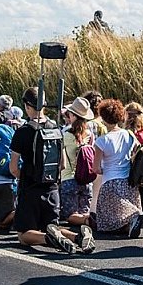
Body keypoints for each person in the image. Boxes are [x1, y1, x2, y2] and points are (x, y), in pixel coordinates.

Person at [10, 87, 93, 254]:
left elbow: (13, 168)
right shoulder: (56, 128)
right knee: (51, 226)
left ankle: (48, 239)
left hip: (31, 188)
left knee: (23, 235)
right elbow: (61, 164)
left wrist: (25, 177)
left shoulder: (23, 132)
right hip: (52, 188)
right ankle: (77, 237)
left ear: (27, 106)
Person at [92, 99, 143, 237]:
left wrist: (104, 169)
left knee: (107, 221)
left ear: (103, 117)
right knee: (124, 215)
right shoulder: (129, 135)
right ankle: (141, 217)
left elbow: (96, 169)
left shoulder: (101, 141)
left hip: (110, 182)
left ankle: (138, 215)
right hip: (129, 181)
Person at [59, 97, 96, 233]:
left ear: (73, 115)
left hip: (69, 178)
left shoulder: (65, 134)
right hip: (86, 179)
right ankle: (88, 220)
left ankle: (88, 220)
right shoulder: (89, 134)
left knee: (70, 216)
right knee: (83, 210)